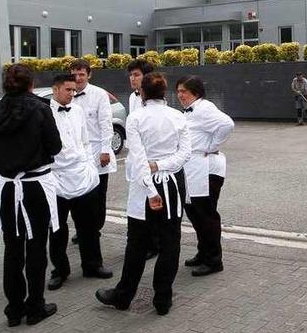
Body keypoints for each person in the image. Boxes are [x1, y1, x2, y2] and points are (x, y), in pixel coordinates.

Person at [95, 73, 191, 316]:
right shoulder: (177, 116)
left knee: (137, 243)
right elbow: (184, 154)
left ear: (143, 93)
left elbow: (138, 159)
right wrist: (163, 165)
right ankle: (162, 298)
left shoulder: (137, 117)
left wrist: (151, 185)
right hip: (171, 182)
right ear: (164, 92)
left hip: (145, 184)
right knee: (170, 241)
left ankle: (124, 295)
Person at [0, 64, 62, 327]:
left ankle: (14, 310)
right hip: (35, 186)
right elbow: (55, 145)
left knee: (13, 250)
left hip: (8, 189)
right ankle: (35, 306)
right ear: (31, 83)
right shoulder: (41, 108)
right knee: (37, 248)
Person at [47, 74, 112, 291]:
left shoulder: (77, 111)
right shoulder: (45, 113)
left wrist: (88, 166)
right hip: (57, 177)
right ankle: (60, 270)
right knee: (58, 229)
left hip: (81, 175)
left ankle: (93, 265)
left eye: (74, 90)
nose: (72, 94)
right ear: (55, 90)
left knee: (89, 226)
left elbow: (85, 141)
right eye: (68, 90)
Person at [176, 76, 234, 277]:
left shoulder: (204, 108)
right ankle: (203, 253)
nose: (180, 95)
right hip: (193, 169)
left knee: (207, 215)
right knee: (195, 213)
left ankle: (213, 260)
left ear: (196, 93)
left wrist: (213, 146)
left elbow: (227, 124)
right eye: (179, 91)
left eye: (184, 91)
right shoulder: (190, 111)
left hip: (207, 170)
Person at [69, 59, 116, 240]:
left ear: (89, 75)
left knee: (98, 195)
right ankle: (83, 228)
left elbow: (106, 124)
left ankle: (94, 229)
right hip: (76, 155)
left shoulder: (99, 94)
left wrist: (105, 150)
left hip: (97, 152)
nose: (78, 78)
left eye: (82, 74)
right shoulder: (67, 93)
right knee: (78, 194)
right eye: (75, 74)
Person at [126, 58, 160, 260]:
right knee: (138, 202)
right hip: (135, 157)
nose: (132, 78)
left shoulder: (153, 101)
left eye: (136, 74)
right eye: (131, 75)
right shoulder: (133, 97)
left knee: (151, 200)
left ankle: (154, 243)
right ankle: (143, 240)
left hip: (150, 158)